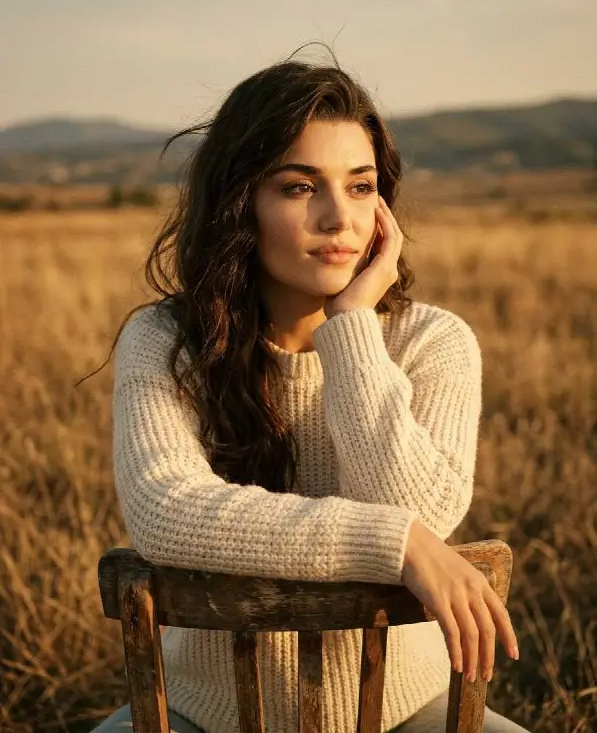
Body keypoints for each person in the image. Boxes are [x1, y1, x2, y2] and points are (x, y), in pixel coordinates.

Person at [93, 48, 529, 733]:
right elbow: (165, 510)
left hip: (406, 709)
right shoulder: (166, 339)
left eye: (360, 187)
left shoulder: (432, 341)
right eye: (299, 187)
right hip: (201, 714)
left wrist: (350, 325)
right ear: (240, 202)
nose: (338, 218)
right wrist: (395, 544)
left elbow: (423, 510)